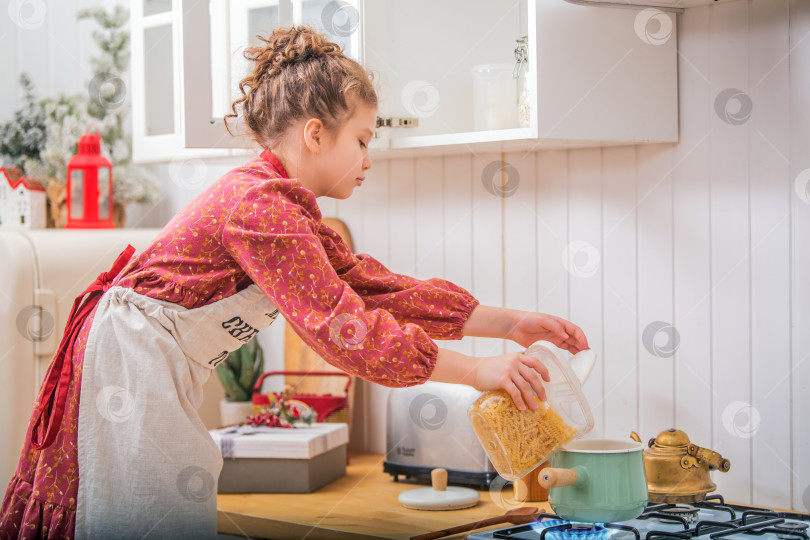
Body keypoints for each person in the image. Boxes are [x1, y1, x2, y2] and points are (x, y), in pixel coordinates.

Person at [0, 25, 589, 539]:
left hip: (151, 360)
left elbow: (373, 288)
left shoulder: (284, 204)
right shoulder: (259, 204)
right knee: (156, 513)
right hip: (130, 362)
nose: (368, 159)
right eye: (362, 140)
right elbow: (343, 328)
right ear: (314, 134)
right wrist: (477, 371)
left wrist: (509, 324)